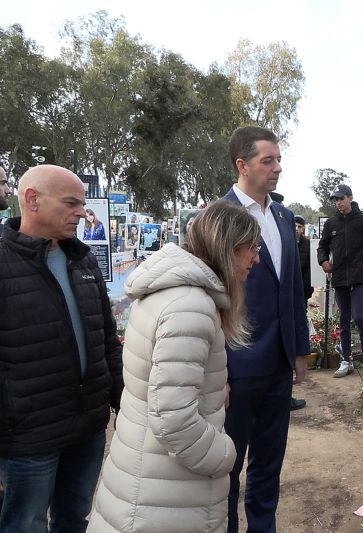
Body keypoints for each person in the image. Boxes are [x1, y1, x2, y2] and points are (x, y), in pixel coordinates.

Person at [88, 202, 260, 532]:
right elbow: (173, 421)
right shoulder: (190, 308)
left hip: (149, 482)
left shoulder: (172, 294)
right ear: (227, 247)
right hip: (165, 496)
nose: (256, 258)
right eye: (252, 247)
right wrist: (224, 454)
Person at [0, 165, 123, 532]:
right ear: (32, 200)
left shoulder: (82, 260)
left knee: (74, 518)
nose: (82, 213)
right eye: (71, 204)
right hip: (26, 438)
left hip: (87, 428)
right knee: (25, 524)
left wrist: (123, 401)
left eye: (83, 204)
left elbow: (106, 340)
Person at [221, 126, 309, 533]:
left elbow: (293, 290)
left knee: (269, 462)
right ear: (242, 165)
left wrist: (300, 349)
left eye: (279, 160)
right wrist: (216, 369)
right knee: (227, 466)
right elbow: (209, 296)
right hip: (235, 366)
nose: (277, 168)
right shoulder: (217, 218)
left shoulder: (284, 216)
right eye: (267, 160)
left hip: (278, 365)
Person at [318, 184, 363, 377]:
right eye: (336, 200)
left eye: (341, 198)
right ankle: (346, 360)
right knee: (343, 319)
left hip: (359, 275)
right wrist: (323, 261)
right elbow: (322, 245)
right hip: (339, 277)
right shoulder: (331, 223)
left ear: (350, 198)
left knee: (360, 317)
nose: (338, 203)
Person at [292, 215, 313, 411]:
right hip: (286, 293)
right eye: (295, 226)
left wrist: (307, 291)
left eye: (300, 226)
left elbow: (308, 271)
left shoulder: (307, 246)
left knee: (300, 325)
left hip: (302, 293)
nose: (297, 229)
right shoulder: (286, 243)